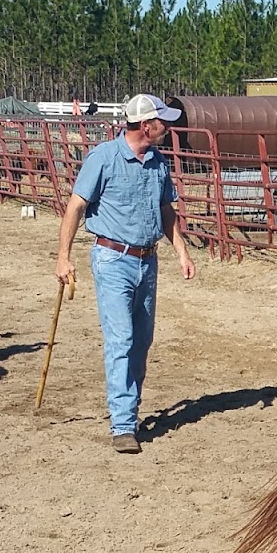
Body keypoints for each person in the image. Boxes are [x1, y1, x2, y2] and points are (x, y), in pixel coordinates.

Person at [55, 93, 196, 453]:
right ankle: (122, 424)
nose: (167, 127)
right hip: (112, 259)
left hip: (147, 261)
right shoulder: (103, 158)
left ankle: (129, 413)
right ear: (145, 125)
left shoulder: (158, 163)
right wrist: (63, 257)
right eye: (162, 121)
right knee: (122, 340)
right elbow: (75, 208)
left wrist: (181, 252)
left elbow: (166, 212)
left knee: (142, 340)